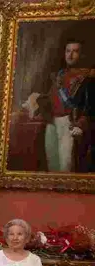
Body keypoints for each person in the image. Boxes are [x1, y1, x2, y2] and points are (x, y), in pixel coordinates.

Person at [44, 39, 95, 172]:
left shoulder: (87, 77)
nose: (70, 55)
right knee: (52, 166)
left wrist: (81, 124)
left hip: (70, 123)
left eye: (75, 51)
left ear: (82, 55)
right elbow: (51, 100)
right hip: (51, 123)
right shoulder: (58, 76)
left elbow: (90, 105)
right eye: (68, 51)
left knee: (66, 166)